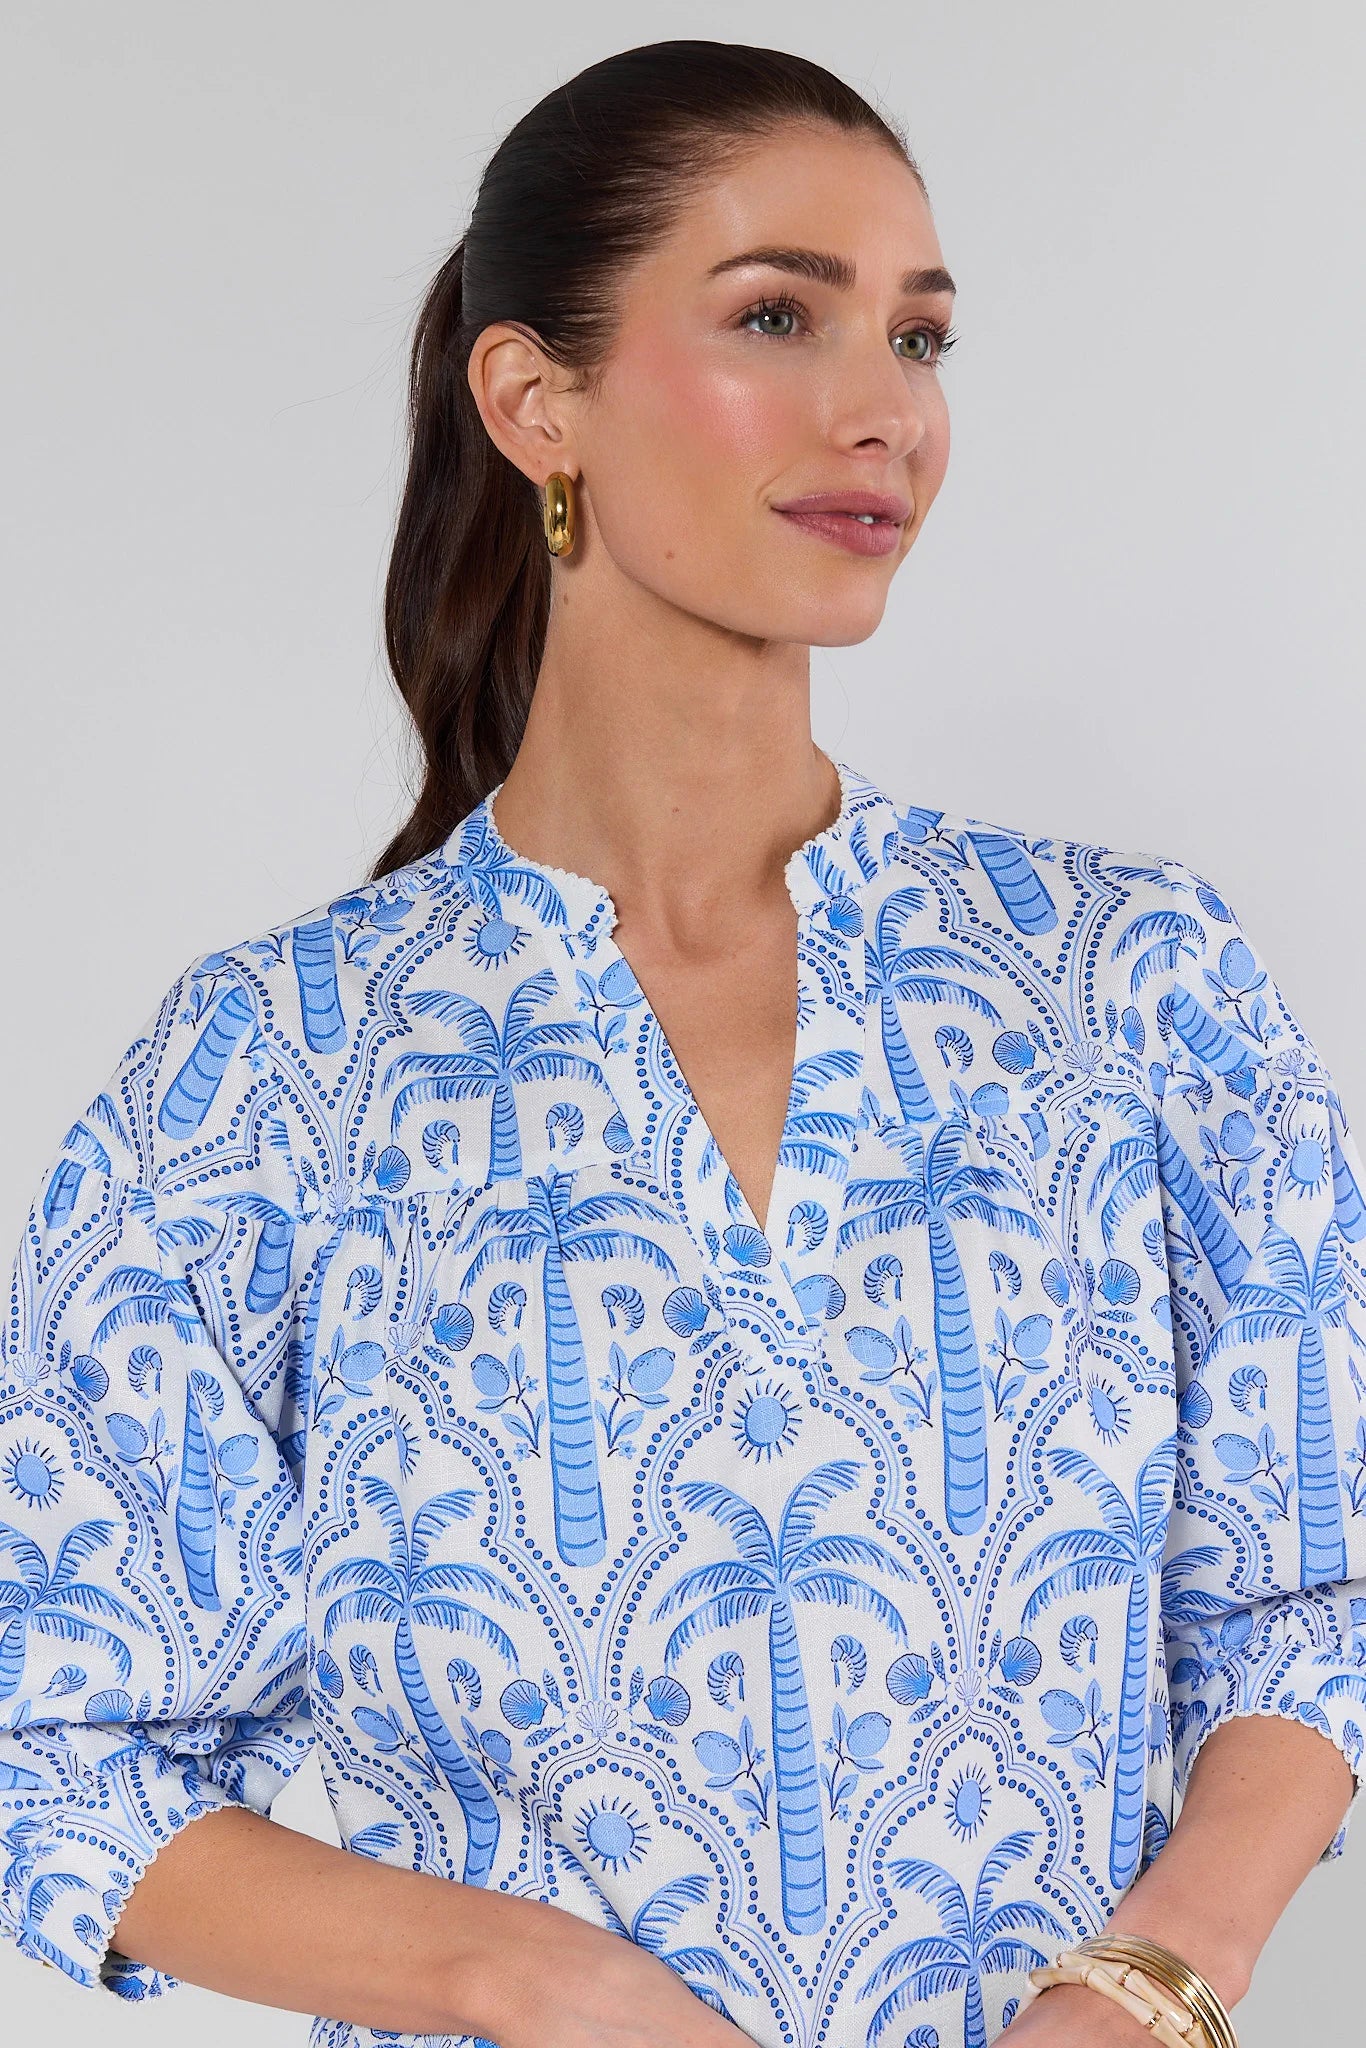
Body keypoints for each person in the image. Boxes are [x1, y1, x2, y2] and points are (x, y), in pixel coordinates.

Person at [2, 37, 1362, 2048]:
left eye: (919, 336)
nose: (879, 406)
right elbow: (64, 1754)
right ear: (530, 395)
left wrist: (1144, 1986)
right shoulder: (260, 1073)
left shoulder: (1126, 980)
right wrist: (542, 1983)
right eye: (773, 316)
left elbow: (1304, 1594)